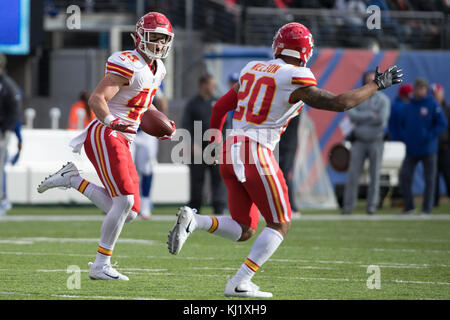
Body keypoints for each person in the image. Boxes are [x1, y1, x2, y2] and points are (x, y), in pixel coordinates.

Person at [168, 22, 403, 297]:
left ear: (278, 45)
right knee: (280, 223)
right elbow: (340, 103)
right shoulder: (296, 76)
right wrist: (376, 84)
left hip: (231, 150)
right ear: (305, 51)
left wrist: (215, 139)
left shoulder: (252, 68)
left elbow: (220, 106)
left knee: (245, 229)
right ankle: (240, 282)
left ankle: (194, 222)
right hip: (255, 151)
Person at [37, 12, 176, 280]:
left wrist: (161, 123)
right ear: (139, 38)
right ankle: (100, 265)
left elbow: (143, 102)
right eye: (153, 37)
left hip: (126, 136)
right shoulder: (127, 63)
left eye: (163, 39)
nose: (158, 44)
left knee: (132, 211)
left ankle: (74, 179)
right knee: (124, 201)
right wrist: (112, 121)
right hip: (106, 132)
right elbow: (97, 99)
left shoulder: (159, 69)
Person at [342, 71, 391, 215]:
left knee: (375, 175)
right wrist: (371, 115)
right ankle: (348, 207)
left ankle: (371, 207)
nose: (370, 82)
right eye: (367, 80)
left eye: (373, 80)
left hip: (376, 141)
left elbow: (382, 119)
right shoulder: (358, 97)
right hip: (359, 141)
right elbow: (352, 115)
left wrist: (362, 117)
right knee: (352, 175)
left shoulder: (383, 100)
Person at [398, 78, 447, 215]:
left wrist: (429, 135)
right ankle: (409, 206)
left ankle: (426, 208)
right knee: (405, 176)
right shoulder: (409, 105)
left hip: (428, 148)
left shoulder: (432, 104)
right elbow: (402, 123)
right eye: (417, 88)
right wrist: (405, 136)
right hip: (412, 149)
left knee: (429, 179)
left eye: (422, 88)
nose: (420, 90)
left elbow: (442, 123)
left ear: (426, 90)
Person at [182, 74, 228, 215]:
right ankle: (194, 210)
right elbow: (186, 125)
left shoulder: (217, 101)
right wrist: (192, 144)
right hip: (198, 149)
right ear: (203, 84)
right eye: (210, 84)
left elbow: (224, 124)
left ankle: (219, 208)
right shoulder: (193, 104)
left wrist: (221, 144)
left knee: (218, 179)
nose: (213, 87)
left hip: (214, 147)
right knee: (197, 181)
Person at [130, 88, 169, 220]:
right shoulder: (126, 71)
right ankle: (126, 202)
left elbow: (162, 102)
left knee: (146, 168)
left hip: (147, 130)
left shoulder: (156, 75)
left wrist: (162, 123)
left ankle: (145, 205)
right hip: (127, 127)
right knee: (126, 167)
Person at [0, 53, 21, 216]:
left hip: (2, 132)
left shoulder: (7, 86)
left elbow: (14, 112)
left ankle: (2, 200)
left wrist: (6, 131)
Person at [431, 83, 450, 207]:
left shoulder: (447, 109)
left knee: (448, 174)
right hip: (432, 147)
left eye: (437, 92)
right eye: (433, 93)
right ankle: (434, 201)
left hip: (445, 147)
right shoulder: (430, 108)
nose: (435, 95)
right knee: (433, 176)